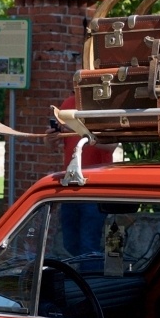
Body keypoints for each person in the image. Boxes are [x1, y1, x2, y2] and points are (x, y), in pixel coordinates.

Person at [51, 94, 117, 256]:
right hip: (71, 184)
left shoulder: (104, 106)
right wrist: (52, 137)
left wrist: (82, 133)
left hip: (95, 187)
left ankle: (91, 279)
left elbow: (112, 145)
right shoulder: (68, 103)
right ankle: (84, 276)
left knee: (89, 245)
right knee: (70, 244)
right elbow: (53, 143)